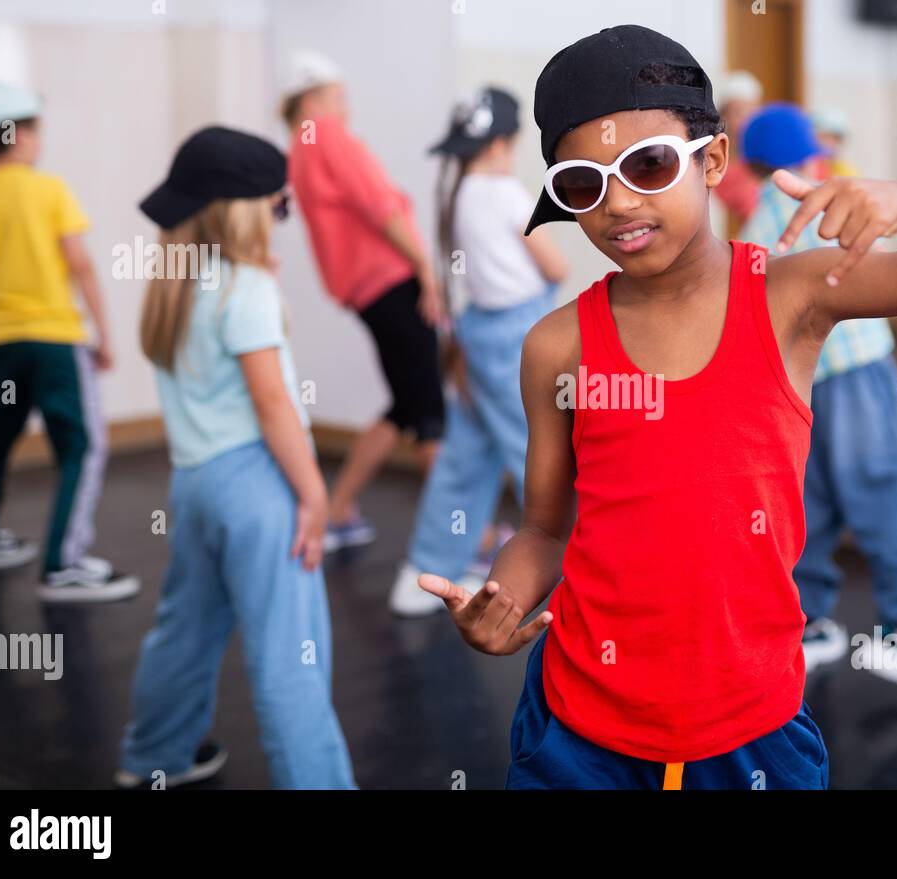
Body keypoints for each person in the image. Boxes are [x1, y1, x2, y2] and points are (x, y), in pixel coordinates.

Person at [417, 25, 897, 790]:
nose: (620, 202)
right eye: (585, 183)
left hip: (751, 735)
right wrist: (500, 601)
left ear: (711, 160)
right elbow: (545, 525)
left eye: (648, 164)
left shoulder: (789, 296)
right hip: (577, 732)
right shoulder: (556, 345)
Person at [118, 127, 355, 790]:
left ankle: (150, 756)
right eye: (280, 208)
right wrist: (313, 495)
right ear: (247, 211)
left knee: (183, 632)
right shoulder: (244, 286)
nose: (281, 221)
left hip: (195, 483)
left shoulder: (178, 283)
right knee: (291, 656)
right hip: (259, 486)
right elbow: (274, 404)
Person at [739, 103, 897, 702]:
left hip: (800, 385)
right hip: (859, 373)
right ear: (810, 152)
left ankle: (808, 620)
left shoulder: (751, 232)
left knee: (808, 504)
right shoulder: (828, 203)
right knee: (885, 497)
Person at [389, 87, 566, 616]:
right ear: (501, 145)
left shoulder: (458, 193)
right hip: (518, 332)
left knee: (467, 455)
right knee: (541, 450)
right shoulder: (508, 194)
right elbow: (554, 267)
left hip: (479, 331)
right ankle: (576, 572)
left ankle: (426, 568)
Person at [0, 82, 138, 601]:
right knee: (81, 444)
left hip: (2, 342)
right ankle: (65, 563)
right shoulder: (49, 189)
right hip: (56, 341)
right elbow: (80, 265)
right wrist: (103, 335)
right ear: (22, 135)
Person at [281, 49, 446, 551]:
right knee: (428, 411)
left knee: (405, 403)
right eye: (339, 97)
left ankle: (338, 510)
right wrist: (424, 267)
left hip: (366, 292)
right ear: (313, 98)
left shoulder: (298, 149)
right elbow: (378, 206)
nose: (346, 109)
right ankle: (469, 539)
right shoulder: (326, 134)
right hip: (393, 283)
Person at [712, 69, 763, 225]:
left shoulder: (767, 159)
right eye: (738, 112)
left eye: (752, 111)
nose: (747, 120)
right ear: (723, 116)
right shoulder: (715, 163)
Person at [810, 107, 861, 178]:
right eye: (825, 136)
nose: (831, 143)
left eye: (836, 138)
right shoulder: (802, 165)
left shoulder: (844, 170)